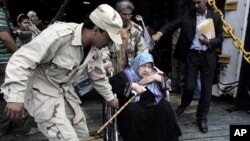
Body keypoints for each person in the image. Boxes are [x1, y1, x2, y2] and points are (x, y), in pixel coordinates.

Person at [1, 4, 122, 141]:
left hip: (65, 92)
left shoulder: (95, 49)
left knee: (82, 135)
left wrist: (110, 98)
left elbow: (98, 76)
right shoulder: (59, 35)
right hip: (42, 92)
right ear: (96, 29)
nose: (110, 44)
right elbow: (21, 60)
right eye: (109, 38)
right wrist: (15, 97)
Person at [152, 0, 223, 133]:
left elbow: (220, 37)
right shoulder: (188, 15)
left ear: (206, 1)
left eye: (198, 3)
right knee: (189, 86)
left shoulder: (215, 17)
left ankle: (201, 118)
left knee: (206, 91)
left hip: (208, 57)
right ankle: (185, 103)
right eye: (194, 3)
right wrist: (159, 34)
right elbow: (171, 25)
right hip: (192, 56)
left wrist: (209, 42)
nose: (195, 6)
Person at [109, 52, 182, 141]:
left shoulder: (155, 74)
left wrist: (156, 78)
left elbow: (177, 88)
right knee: (131, 111)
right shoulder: (127, 75)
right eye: (143, 66)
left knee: (165, 106)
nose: (146, 70)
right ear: (137, 65)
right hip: (134, 106)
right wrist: (132, 85)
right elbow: (111, 84)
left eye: (149, 67)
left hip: (153, 105)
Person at [102, 0, 148, 74]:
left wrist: (141, 65)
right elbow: (103, 49)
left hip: (130, 73)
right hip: (111, 72)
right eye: (124, 14)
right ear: (117, 14)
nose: (127, 17)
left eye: (129, 14)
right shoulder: (109, 29)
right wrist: (107, 65)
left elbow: (143, 50)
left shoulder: (136, 30)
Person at [0, 0, 18, 136]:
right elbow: (4, 37)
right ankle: (5, 128)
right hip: (4, 61)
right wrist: (19, 53)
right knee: (9, 95)